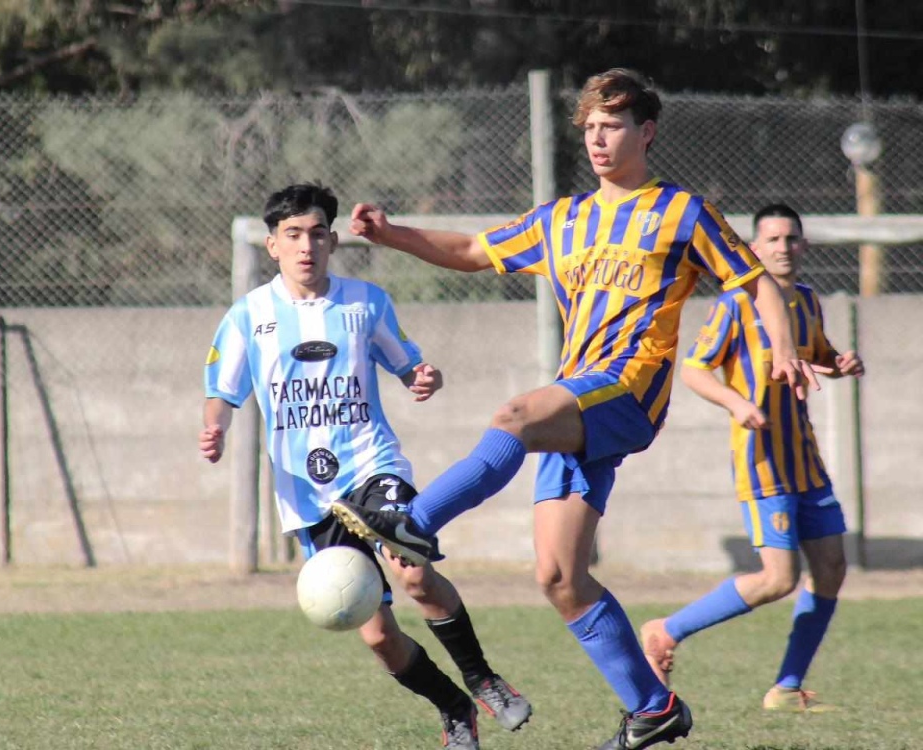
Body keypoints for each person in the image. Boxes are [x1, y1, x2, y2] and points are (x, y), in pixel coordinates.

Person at [330, 69, 820, 750]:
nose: (596, 137)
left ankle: (412, 524)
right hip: (579, 394)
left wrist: (787, 349)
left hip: (627, 389)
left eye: (611, 124)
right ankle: (652, 708)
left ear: (645, 132)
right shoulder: (564, 219)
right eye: (589, 126)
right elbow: (474, 250)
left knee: (513, 418)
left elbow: (754, 282)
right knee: (559, 577)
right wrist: (391, 235)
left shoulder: (682, 213)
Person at [198, 183, 531, 750]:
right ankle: (453, 706)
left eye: (317, 234)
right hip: (307, 493)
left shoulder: (366, 302)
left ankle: (483, 681)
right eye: (293, 236)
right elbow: (221, 392)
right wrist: (215, 428)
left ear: (332, 240)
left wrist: (425, 378)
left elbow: (412, 366)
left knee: (414, 571)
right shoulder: (247, 316)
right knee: (378, 635)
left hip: (372, 465)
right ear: (273, 246)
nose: (307, 246)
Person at [639, 203, 864, 712]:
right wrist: (736, 403)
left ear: (803, 245)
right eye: (773, 240)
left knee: (830, 569)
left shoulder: (807, 301)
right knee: (778, 578)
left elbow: (818, 355)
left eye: (792, 239)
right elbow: (694, 369)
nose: (783, 248)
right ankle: (665, 629)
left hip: (805, 460)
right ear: (755, 249)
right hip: (762, 461)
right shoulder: (737, 304)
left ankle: (786, 688)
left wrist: (840, 362)